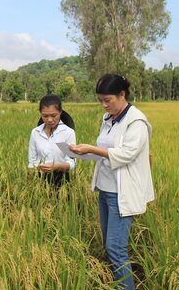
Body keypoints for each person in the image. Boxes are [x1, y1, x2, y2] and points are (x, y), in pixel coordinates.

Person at [70, 74, 154, 289]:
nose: (103, 105)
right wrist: (79, 153)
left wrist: (91, 148)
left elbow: (125, 154)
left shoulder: (136, 121)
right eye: (100, 101)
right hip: (105, 189)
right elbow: (103, 152)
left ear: (122, 95)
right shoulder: (108, 119)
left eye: (107, 100)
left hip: (122, 193)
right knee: (110, 247)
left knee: (116, 248)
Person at [27, 94, 76, 188]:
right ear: (40, 113)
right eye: (45, 116)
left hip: (62, 180)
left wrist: (56, 166)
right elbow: (32, 161)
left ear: (60, 112)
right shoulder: (35, 132)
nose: (49, 120)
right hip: (39, 179)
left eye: (54, 115)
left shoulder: (68, 133)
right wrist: (29, 185)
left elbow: (71, 162)